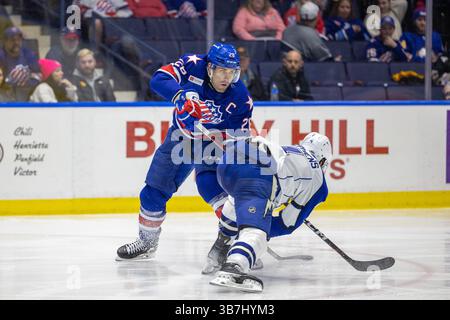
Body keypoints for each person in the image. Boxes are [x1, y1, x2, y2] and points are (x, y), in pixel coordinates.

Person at [116, 43, 254, 261]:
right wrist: (180, 95)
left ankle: (240, 242)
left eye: (231, 72)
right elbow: (158, 79)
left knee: (214, 191)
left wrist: (238, 157)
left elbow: (239, 139)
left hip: (214, 142)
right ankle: (146, 243)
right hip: (181, 138)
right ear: (210, 68)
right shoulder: (193, 65)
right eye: (221, 70)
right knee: (154, 191)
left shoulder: (240, 98)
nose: (226, 77)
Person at [205, 132, 331, 292]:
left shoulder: (291, 150)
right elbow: (287, 223)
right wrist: (261, 229)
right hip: (256, 173)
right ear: (323, 160)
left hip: (227, 163)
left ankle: (219, 250)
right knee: (256, 234)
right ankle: (234, 267)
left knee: (238, 199)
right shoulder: (318, 180)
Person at [0, 27, 40, 101]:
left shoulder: (29, 54)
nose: (16, 43)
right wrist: (6, 83)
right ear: (4, 42)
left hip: (26, 91)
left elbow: (38, 76)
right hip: (5, 92)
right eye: (12, 40)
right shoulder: (1, 55)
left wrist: (27, 82)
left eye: (19, 40)